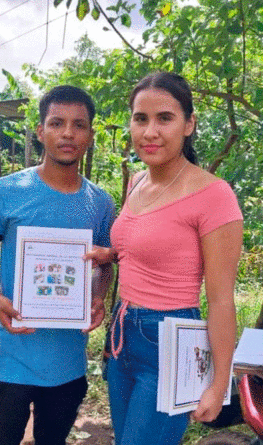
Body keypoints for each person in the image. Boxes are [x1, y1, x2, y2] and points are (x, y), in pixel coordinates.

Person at [90, 72, 243, 445]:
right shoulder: (138, 182)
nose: (149, 132)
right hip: (122, 334)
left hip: (171, 344)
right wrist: (110, 254)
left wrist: (219, 384)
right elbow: (152, 245)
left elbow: (221, 299)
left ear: (188, 124)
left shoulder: (214, 195)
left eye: (165, 118)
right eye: (140, 118)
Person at [0, 85, 115, 445]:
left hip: (67, 361)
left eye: (79, 125)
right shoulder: (7, 191)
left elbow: (103, 265)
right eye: (57, 123)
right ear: (40, 130)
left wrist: (98, 297)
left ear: (90, 135)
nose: (67, 133)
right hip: (12, 356)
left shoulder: (100, 204)